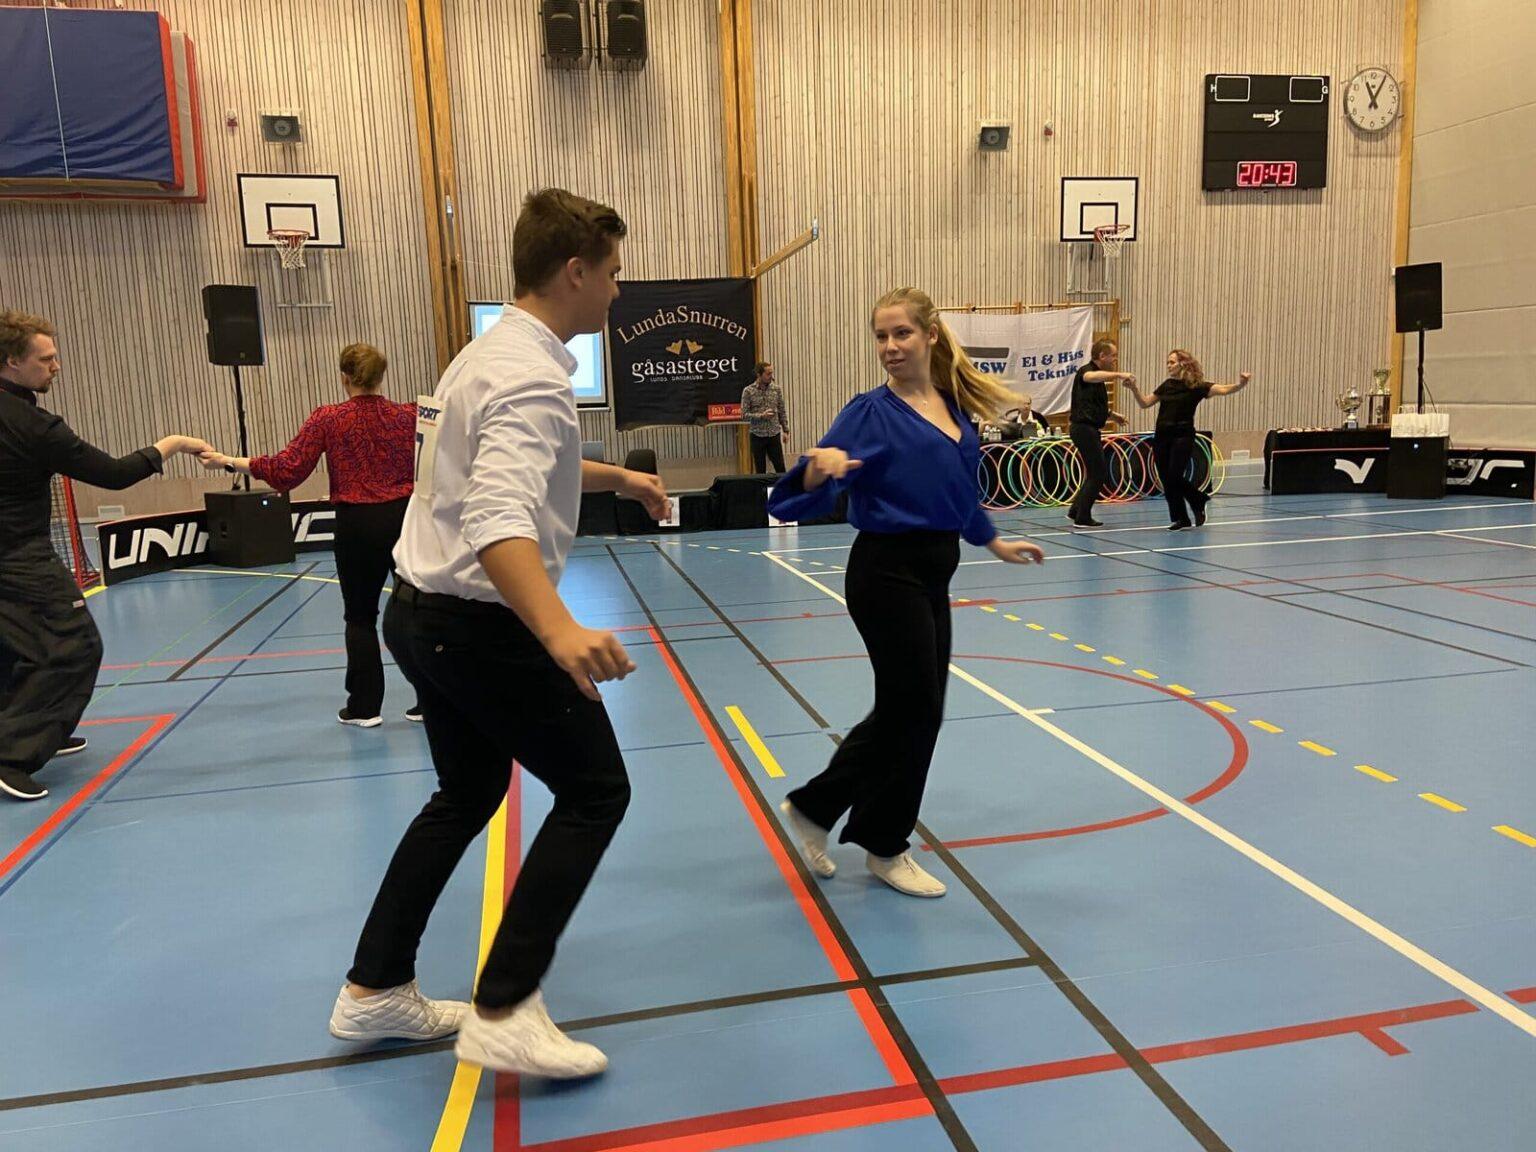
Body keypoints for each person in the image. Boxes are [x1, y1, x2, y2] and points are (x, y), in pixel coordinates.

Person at [328, 189, 669, 1079]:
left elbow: (519, 469)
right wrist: (559, 629)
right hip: (479, 628)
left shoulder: (483, 356)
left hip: (419, 614)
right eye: (614, 274)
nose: (618, 292)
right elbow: (496, 517)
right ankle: (505, 1007)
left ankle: (373, 988)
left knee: (468, 790)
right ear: (576, 272)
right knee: (596, 791)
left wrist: (623, 481)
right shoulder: (533, 378)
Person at [768, 286, 1045, 899]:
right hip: (884, 572)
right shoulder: (869, 412)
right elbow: (791, 497)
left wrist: (994, 542)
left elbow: (959, 492)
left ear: (930, 336)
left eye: (901, 333)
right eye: (881, 336)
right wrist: (817, 468)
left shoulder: (952, 406)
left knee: (920, 711)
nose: (890, 346)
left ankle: (860, 829)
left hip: (934, 571)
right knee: (910, 709)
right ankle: (844, 823)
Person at [0, 310, 210, 801]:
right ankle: (12, 753)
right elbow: (114, 475)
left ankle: (32, 726)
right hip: (19, 556)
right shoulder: (33, 426)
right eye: (46, 360)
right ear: (11, 361)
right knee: (73, 646)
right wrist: (173, 444)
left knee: (14, 647)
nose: (56, 367)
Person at [200, 344, 422, 727]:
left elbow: (288, 470)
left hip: (357, 525)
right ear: (380, 376)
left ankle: (365, 707)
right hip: (407, 520)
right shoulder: (409, 415)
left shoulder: (329, 419)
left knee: (360, 617)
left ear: (345, 378)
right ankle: (432, 700)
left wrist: (230, 462)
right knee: (416, 609)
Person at [1122, 349, 1251, 530]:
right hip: (1162, 436)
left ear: (1183, 364)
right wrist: (1134, 388)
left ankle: (1198, 499)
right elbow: (1145, 403)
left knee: (1174, 476)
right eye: (1167, 362)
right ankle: (1181, 517)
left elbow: (1223, 389)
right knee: (1166, 480)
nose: (1168, 366)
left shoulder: (1196, 386)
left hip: (1182, 436)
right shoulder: (1167, 385)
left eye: (1172, 362)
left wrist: (1241, 384)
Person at [1066, 340, 1132, 528]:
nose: (1115, 359)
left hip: (1088, 429)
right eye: (1113, 356)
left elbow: (1092, 404)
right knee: (1099, 473)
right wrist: (1119, 375)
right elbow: (1089, 377)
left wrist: (1113, 415)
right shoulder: (1086, 371)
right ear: (1102, 356)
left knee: (1094, 472)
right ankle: (1083, 517)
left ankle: (1075, 511)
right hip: (1083, 429)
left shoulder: (1098, 380)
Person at [741, 360, 789, 473]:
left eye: (771, 373)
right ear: (759, 375)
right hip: (757, 436)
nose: (771, 376)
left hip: (774, 434)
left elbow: (781, 410)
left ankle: (780, 485)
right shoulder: (748, 391)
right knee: (760, 471)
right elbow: (744, 415)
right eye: (768, 374)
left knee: (780, 468)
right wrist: (761, 416)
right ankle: (763, 486)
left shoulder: (776, 389)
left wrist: (786, 430)